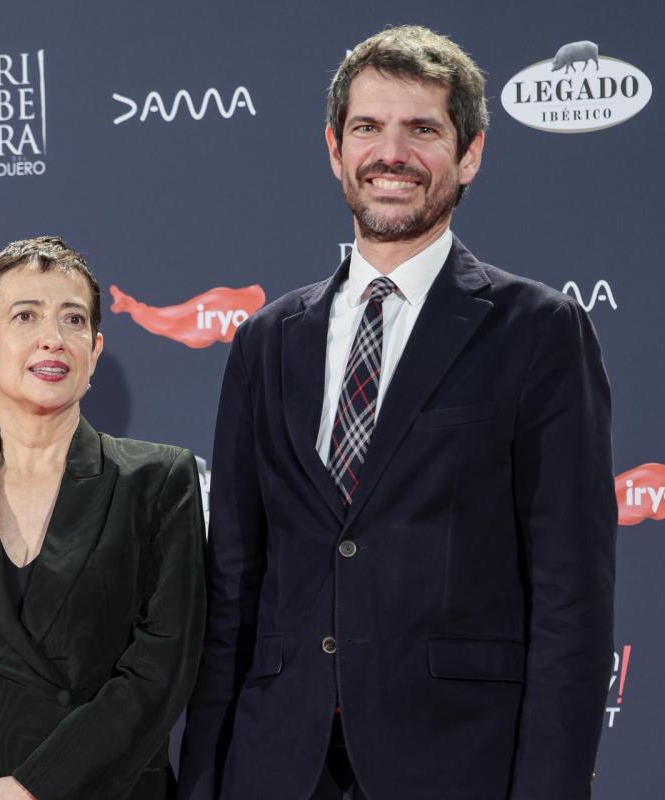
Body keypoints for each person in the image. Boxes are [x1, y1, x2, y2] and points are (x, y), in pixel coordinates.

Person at [179, 26, 615, 800]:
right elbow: (235, 587)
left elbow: (571, 596)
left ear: (470, 153)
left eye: (423, 129)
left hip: (457, 762)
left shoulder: (538, 331)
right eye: (368, 128)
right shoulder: (266, 343)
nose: (392, 153)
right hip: (277, 764)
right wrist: (206, 777)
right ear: (334, 149)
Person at [0, 236, 206, 800]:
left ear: (95, 349)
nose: (54, 338)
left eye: (73, 319)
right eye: (26, 315)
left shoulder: (157, 480)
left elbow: (160, 668)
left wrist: (34, 788)